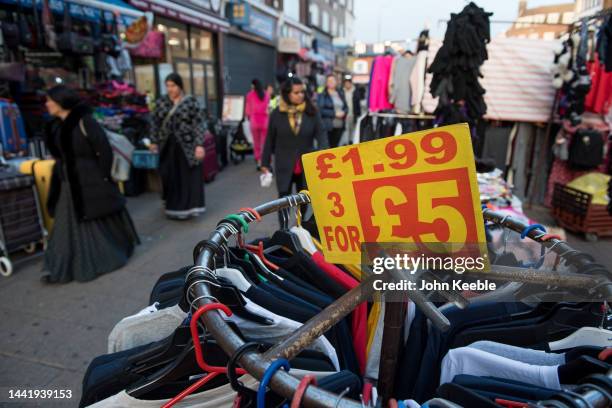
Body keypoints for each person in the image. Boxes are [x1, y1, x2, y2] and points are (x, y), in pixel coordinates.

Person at [41, 85, 139, 284]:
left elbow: (104, 151)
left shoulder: (85, 122)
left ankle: (99, 259)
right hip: (68, 185)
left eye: (50, 100)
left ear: (61, 101)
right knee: (65, 226)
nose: (47, 104)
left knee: (95, 221)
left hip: (89, 183)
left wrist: (101, 178)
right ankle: (61, 266)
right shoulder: (56, 125)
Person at [261, 76, 328, 225]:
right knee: (283, 199)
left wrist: (325, 153)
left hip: (306, 163)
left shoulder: (312, 112)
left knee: (303, 197)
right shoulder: (277, 114)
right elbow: (269, 139)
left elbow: (321, 133)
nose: (301, 95)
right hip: (284, 163)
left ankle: (300, 226)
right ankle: (283, 229)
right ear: (287, 94)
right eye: (296, 92)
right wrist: (265, 162)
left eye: (302, 92)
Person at [150, 73, 206, 220]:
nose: (170, 89)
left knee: (188, 178)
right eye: (168, 86)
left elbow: (199, 124)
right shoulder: (161, 102)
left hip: (187, 146)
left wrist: (199, 145)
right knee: (170, 177)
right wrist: (154, 141)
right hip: (167, 147)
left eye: (173, 85)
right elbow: (154, 123)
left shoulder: (190, 102)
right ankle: (173, 208)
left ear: (179, 86)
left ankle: (190, 208)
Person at [245, 79, 270, 169]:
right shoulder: (266, 94)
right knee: (265, 143)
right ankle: (265, 161)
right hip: (265, 121)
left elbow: (247, 110)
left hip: (254, 121)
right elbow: (268, 107)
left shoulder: (249, 95)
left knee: (256, 143)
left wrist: (248, 116)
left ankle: (258, 161)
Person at [317, 74, 348, 148]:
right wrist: (334, 114)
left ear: (336, 82)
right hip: (328, 126)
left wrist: (344, 112)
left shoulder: (340, 93)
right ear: (326, 83)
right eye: (329, 81)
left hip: (340, 125)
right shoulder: (322, 94)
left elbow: (346, 107)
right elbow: (320, 110)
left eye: (333, 80)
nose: (331, 82)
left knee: (335, 147)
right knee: (327, 148)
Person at [342, 78, 362, 145]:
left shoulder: (355, 91)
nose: (347, 85)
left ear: (351, 84)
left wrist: (359, 114)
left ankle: (351, 140)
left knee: (352, 128)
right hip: (345, 114)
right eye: (346, 83)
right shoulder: (342, 92)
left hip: (353, 113)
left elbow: (358, 104)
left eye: (348, 83)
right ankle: (345, 142)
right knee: (345, 128)